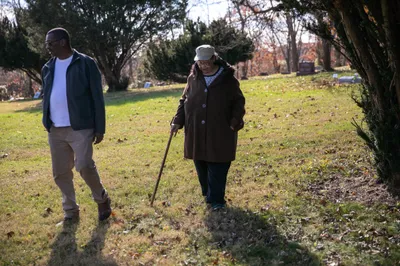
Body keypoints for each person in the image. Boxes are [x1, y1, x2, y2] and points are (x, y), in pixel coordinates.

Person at [41, 28, 111, 222]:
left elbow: (97, 97)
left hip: (81, 126)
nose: (47, 47)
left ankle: (102, 199)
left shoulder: (86, 63)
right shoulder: (47, 67)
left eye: (50, 43)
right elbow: (47, 95)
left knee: (84, 165)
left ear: (63, 42)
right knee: (60, 172)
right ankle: (70, 211)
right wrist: (46, 119)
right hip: (55, 128)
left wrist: (100, 128)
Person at [171, 44, 245, 211]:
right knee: (201, 163)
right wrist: (177, 121)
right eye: (199, 62)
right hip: (196, 129)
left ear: (214, 58)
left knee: (218, 164)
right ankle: (208, 194)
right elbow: (184, 100)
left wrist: (234, 122)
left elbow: (239, 101)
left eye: (205, 62)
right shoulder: (193, 78)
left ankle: (216, 200)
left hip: (220, 129)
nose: (202, 65)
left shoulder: (228, 79)